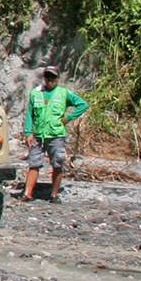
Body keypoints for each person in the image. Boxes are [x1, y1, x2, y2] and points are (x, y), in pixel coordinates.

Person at [22, 67, 89, 203]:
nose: (49, 80)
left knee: (57, 164)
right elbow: (30, 114)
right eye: (47, 77)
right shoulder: (36, 93)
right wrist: (28, 133)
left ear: (58, 79)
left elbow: (83, 105)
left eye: (52, 77)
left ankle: (54, 195)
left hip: (56, 134)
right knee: (34, 163)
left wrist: (69, 118)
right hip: (38, 135)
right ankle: (27, 194)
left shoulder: (64, 93)